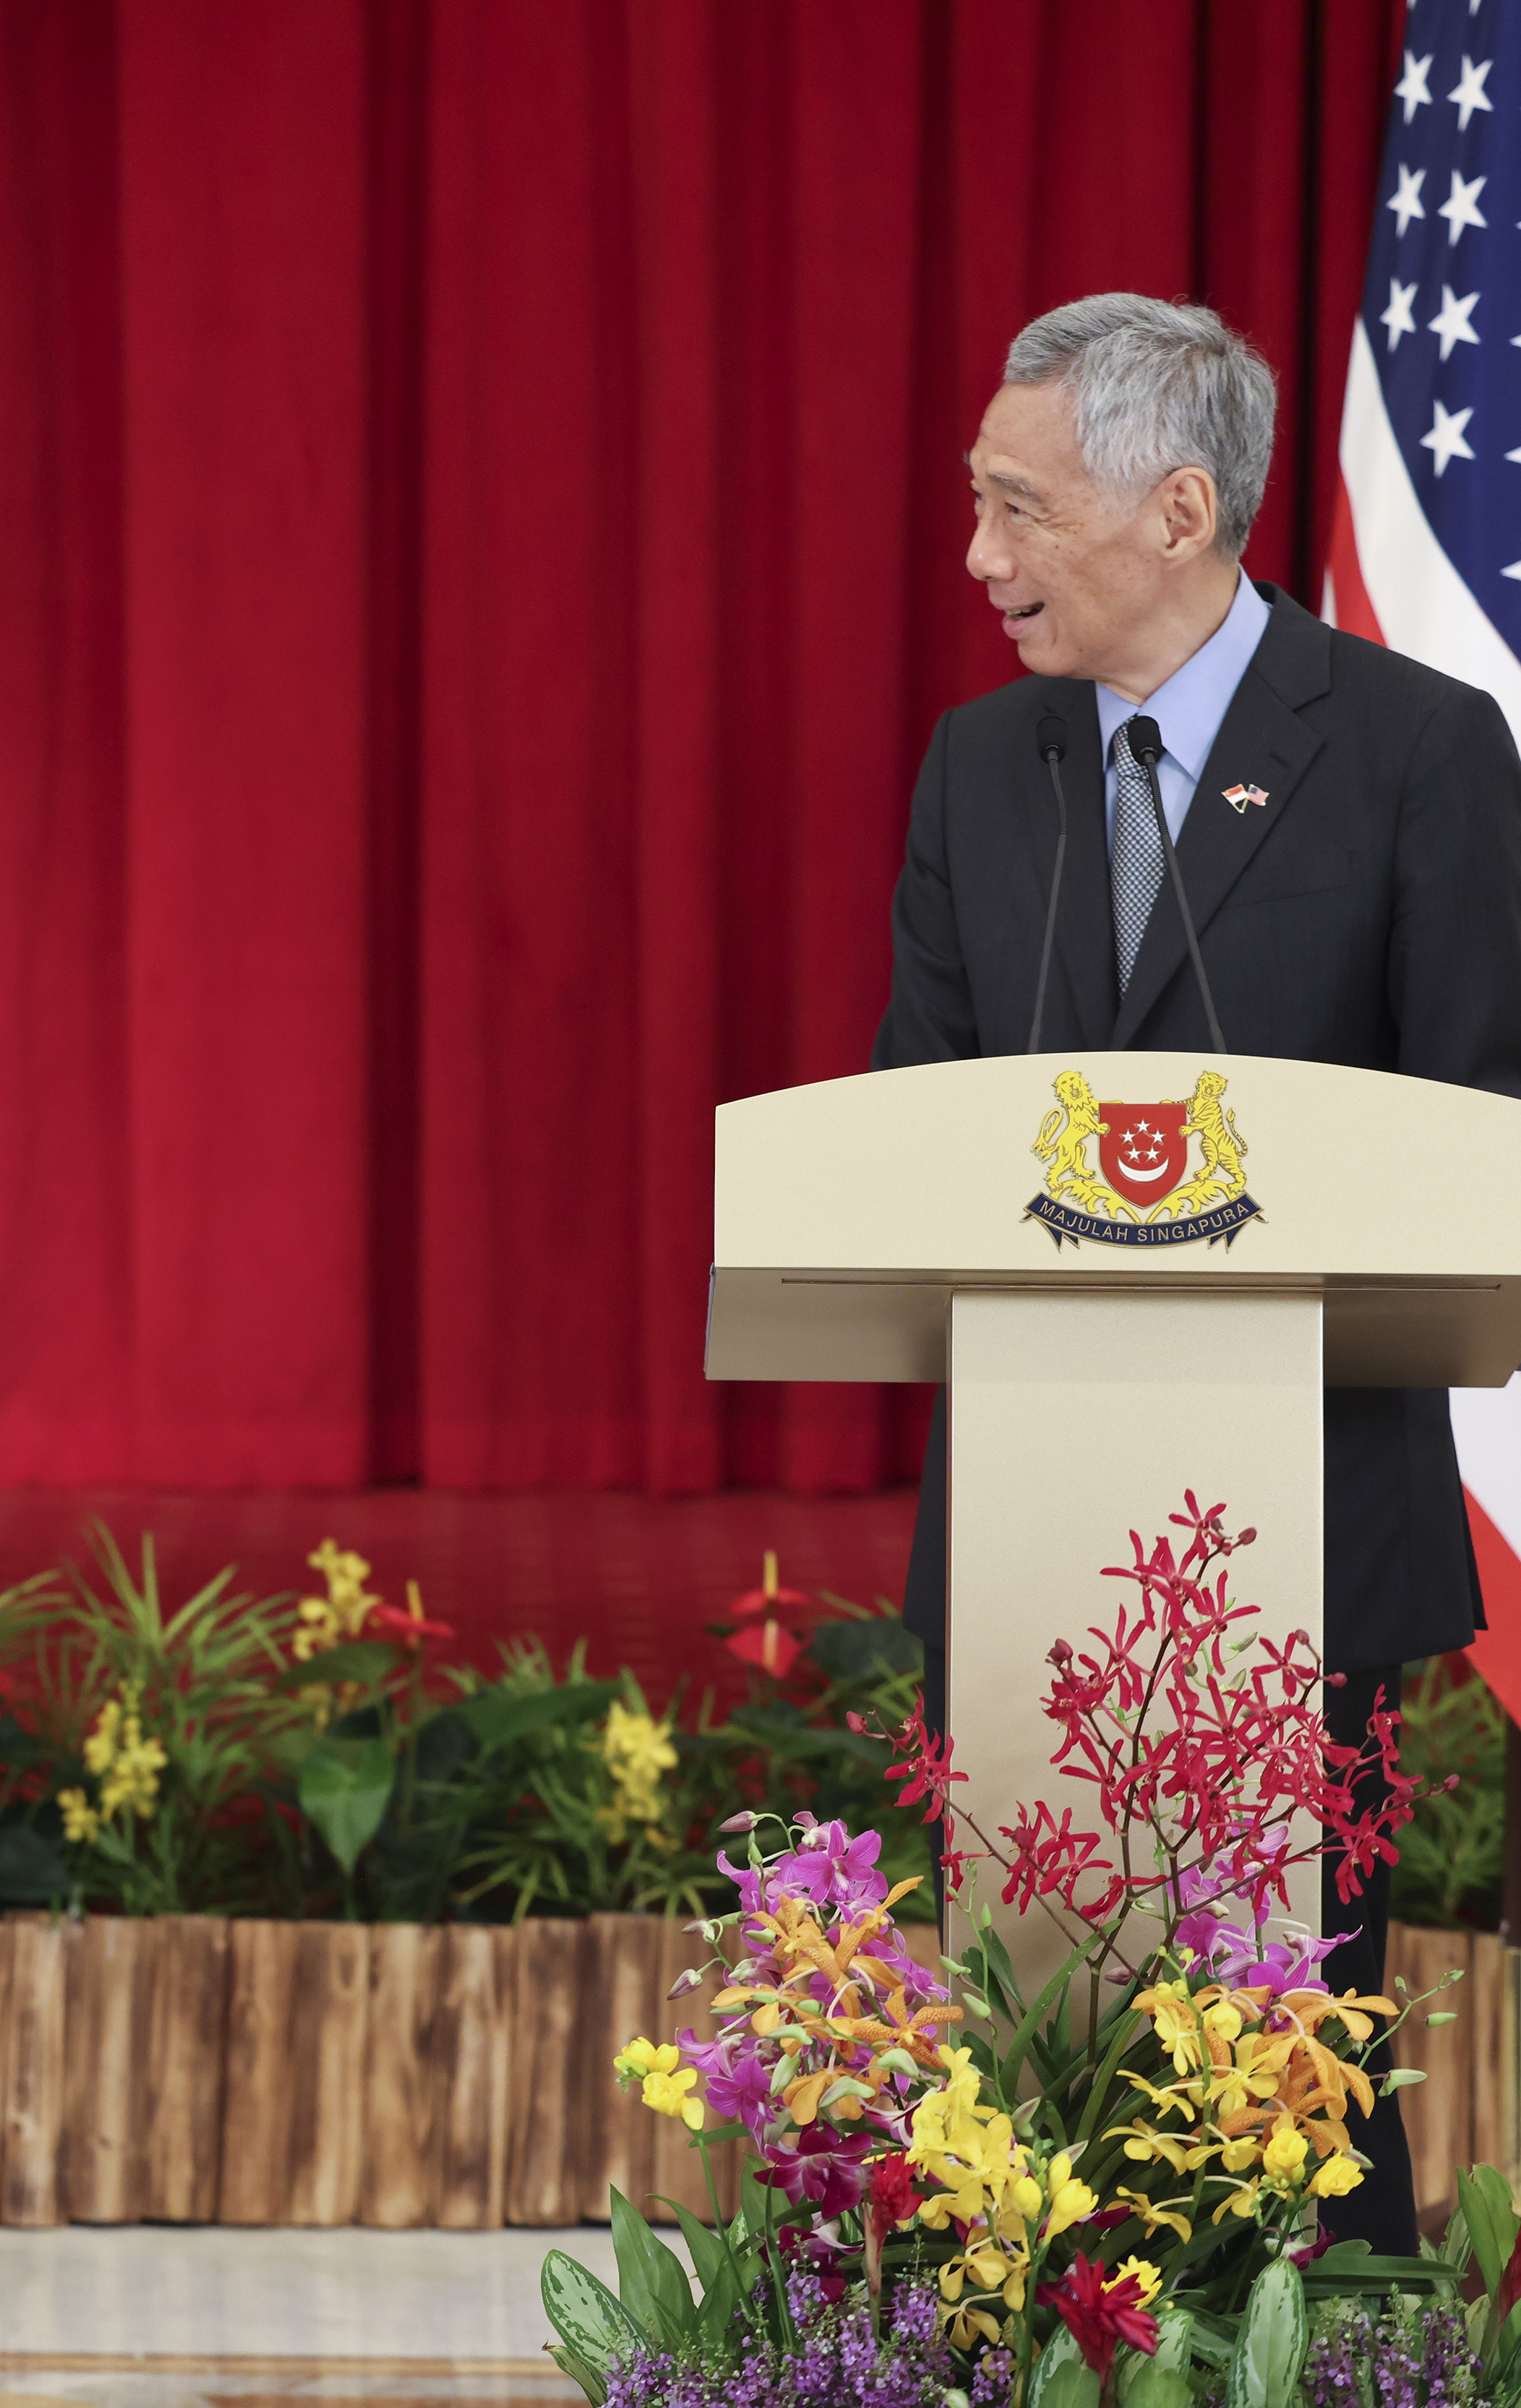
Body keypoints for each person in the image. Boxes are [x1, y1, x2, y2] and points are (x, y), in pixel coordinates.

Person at [874, 291, 1521, 2249]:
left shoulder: (1417, 745)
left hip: (1304, 1518)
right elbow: (913, 1134)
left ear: (1175, 510)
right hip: (1031, 1538)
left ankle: (1349, 2360)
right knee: (1029, 2075)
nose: (978, 558)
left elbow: (1479, 1130)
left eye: (1013, 507)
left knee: (1293, 2073)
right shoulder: (985, 769)